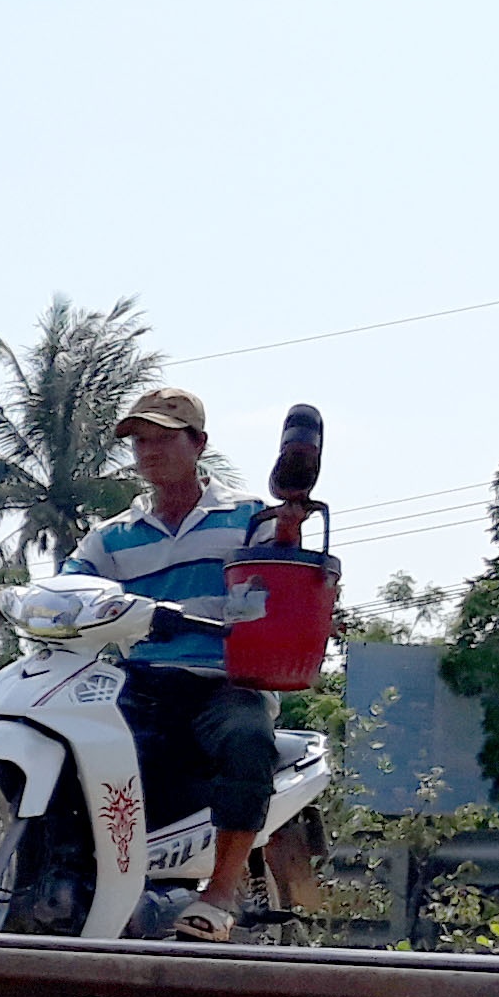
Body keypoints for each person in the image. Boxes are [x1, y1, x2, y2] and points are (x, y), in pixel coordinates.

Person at [73, 386, 315, 940]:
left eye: (163, 438)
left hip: (224, 678)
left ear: (199, 444)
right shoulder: (111, 536)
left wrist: (289, 532)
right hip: (141, 681)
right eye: (140, 441)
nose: (149, 451)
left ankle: (221, 892)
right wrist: (9, 599)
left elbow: (283, 575)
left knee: (246, 738)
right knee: (70, 740)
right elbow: (70, 584)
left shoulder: (248, 516)